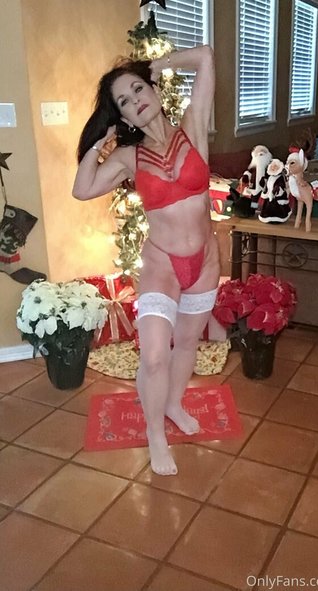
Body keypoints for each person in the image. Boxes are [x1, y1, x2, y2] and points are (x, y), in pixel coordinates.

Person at [73, 46, 219, 476]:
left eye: (138, 89)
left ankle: (173, 404)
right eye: (124, 101)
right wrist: (98, 144)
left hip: (205, 261)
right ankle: (156, 433)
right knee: (154, 356)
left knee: (187, 344)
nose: (135, 100)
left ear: (153, 90)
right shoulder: (127, 158)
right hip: (162, 265)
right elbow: (83, 189)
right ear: (123, 117)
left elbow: (206, 57)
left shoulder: (193, 126)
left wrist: (156, 66)